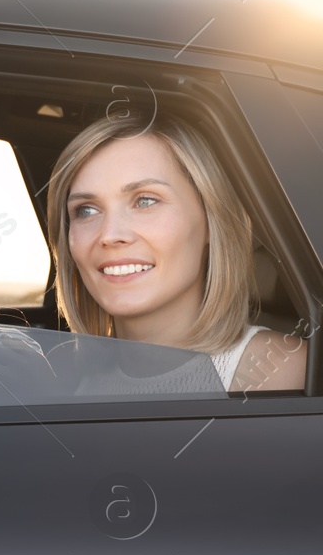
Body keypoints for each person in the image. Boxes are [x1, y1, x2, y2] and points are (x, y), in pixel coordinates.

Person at [46, 110, 305, 392]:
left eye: (145, 201)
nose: (109, 235)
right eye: (86, 210)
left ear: (210, 220)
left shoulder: (279, 369)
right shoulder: (78, 383)